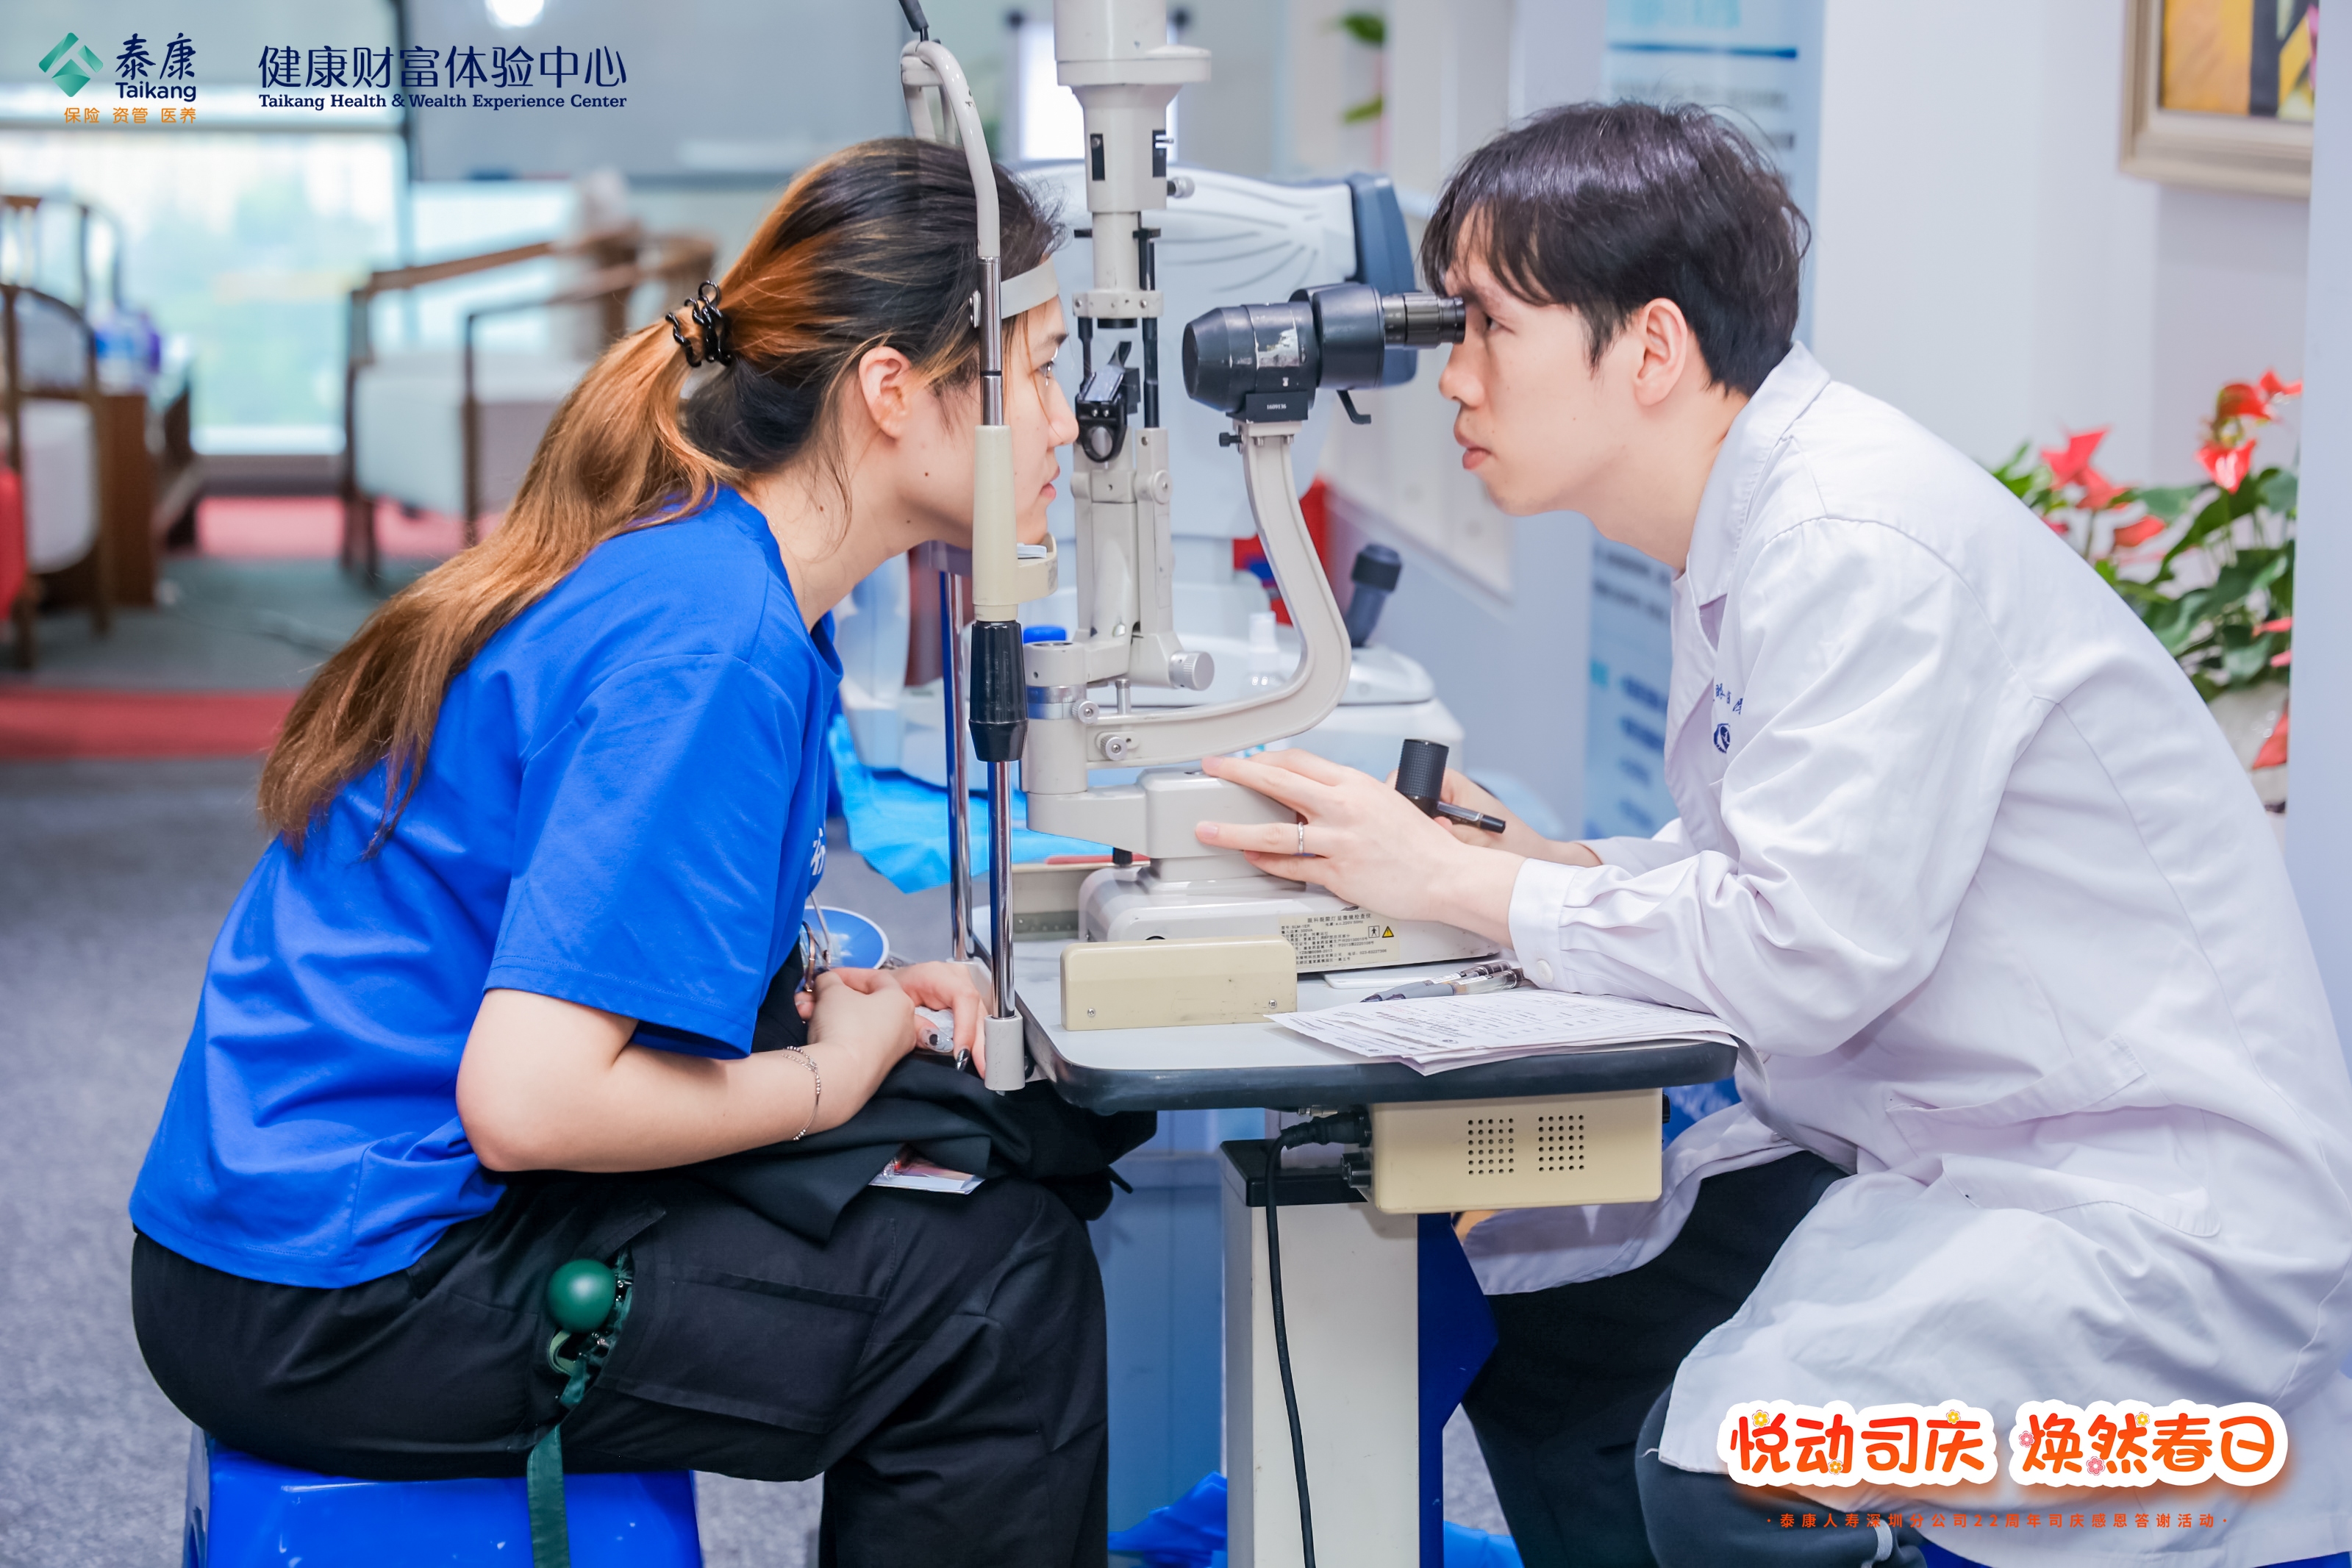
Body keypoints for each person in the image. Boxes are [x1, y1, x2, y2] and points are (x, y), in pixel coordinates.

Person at [1197, 103, 2352, 1567]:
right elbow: (1780, 864)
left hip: (2140, 1213)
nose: (1455, 377)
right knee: (1544, 1321)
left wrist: (1467, 887)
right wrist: (1542, 870)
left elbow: (1804, 954)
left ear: (1653, 349)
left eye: (1487, 326)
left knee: (1740, 1477)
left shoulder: (1852, 543)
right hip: (1940, 1134)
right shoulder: (1754, 525)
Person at [129, 139, 1114, 1568]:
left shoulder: (706, 564)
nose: (1067, 422)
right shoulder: (712, 642)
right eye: (1039, 370)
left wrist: (866, 996)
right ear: (892, 388)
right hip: (340, 1284)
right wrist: (829, 1076)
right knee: (993, 1291)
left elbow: (606, 934)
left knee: (983, 1172)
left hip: (285, 1213)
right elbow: (529, 1101)